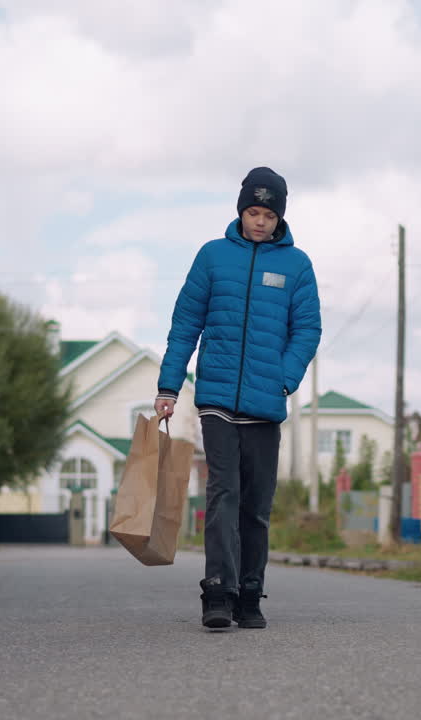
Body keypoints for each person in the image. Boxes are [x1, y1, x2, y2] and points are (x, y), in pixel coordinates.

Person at [155, 166, 321, 630]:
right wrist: (169, 387)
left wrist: (284, 380)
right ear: (241, 211)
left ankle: (250, 591)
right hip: (217, 398)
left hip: (265, 404)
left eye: (268, 214)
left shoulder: (297, 266)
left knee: (255, 505)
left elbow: (306, 329)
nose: (260, 221)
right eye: (253, 211)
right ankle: (218, 592)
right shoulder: (212, 258)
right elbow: (185, 325)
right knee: (223, 493)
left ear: (279, 217)